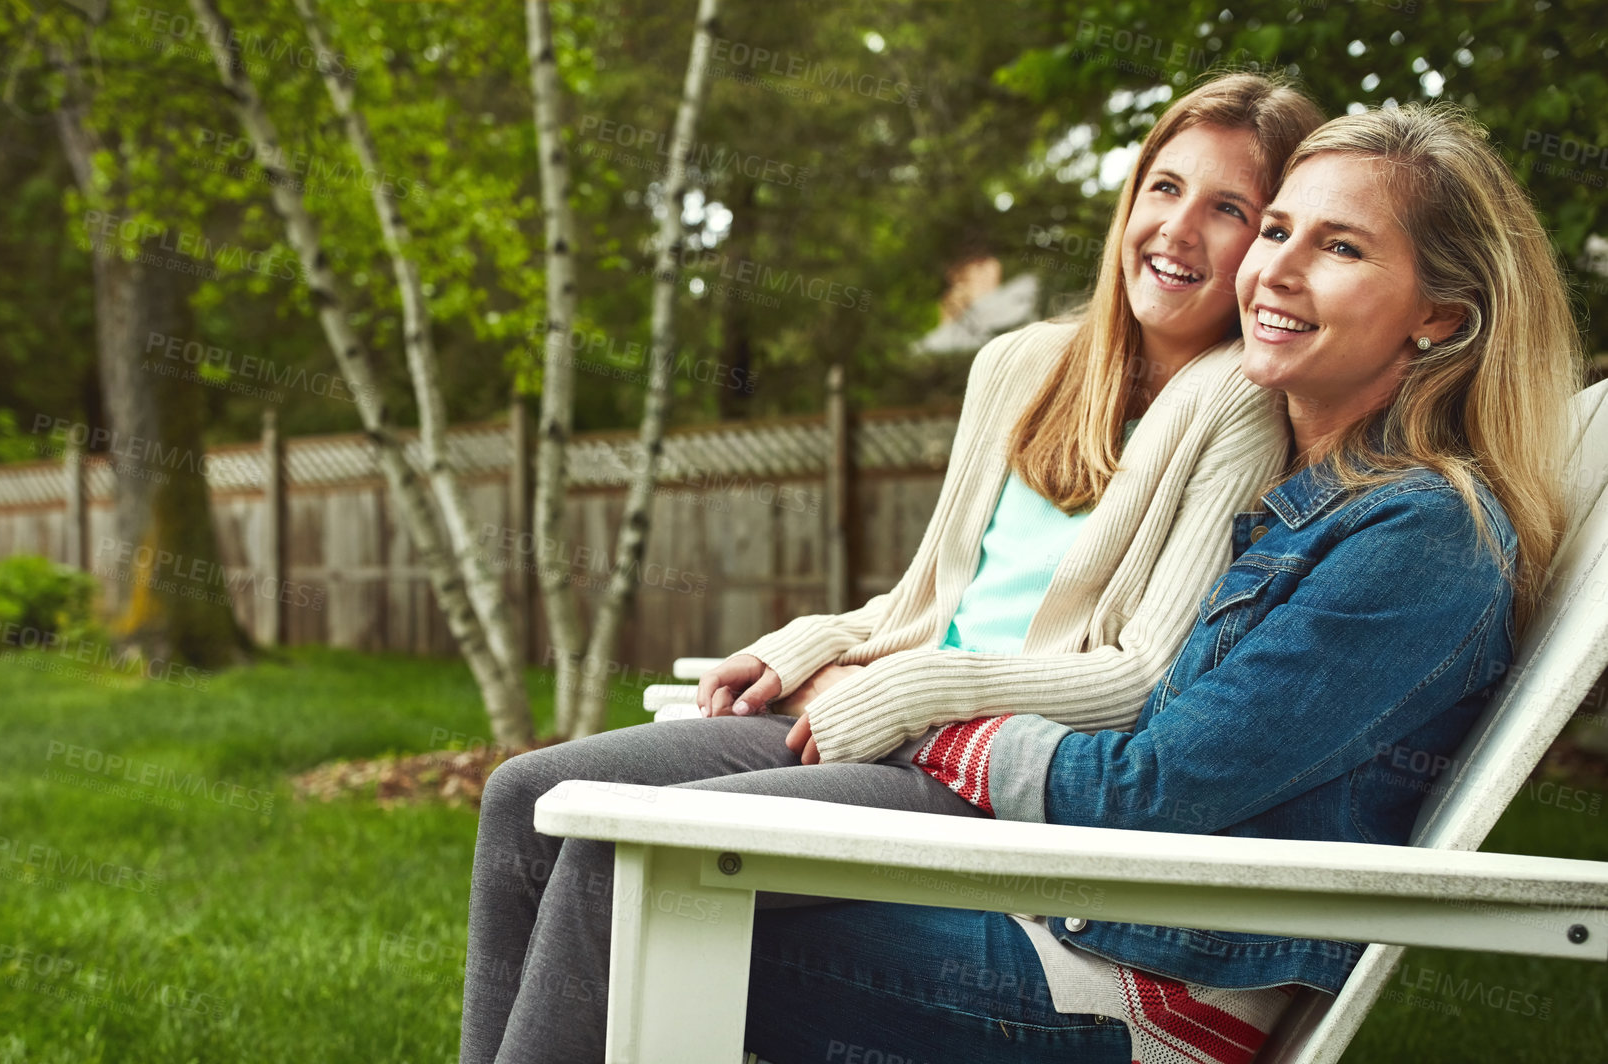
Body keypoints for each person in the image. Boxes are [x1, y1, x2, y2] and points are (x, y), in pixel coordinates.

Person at [460, 71, 1326, 1064]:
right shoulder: (1021, 362)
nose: (1178, 229)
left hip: (984, 777)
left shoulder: (1240, 404)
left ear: (1266, 245)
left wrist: (909, 691)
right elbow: (933, 602)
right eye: (1164, 188)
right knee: (526, 798)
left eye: (1229, 209)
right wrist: (816, 645)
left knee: (622, 859)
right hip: (882, 718)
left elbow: (1142, 677)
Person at [743, 103, 1582, 1064]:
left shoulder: (1423, 536)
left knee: (640, 899)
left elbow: (1145, 790)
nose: (1277, 269)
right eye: (1276, 231)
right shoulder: (1298, 500)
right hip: (1055, 911)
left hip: (1145, 993)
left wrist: (897, 707)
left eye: (1340, 247)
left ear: (1440, 314)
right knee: (600, 870)